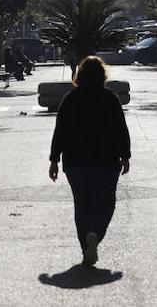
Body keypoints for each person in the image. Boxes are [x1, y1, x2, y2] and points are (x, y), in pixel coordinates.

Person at [48, 56, 131, 267]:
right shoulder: (110, 98)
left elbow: (60, 130)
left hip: (76, 162)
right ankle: (95, 234)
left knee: (82, 205)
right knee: (105, 203)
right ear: (102, 75)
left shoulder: (71, 98)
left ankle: (86, 247)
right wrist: (125, 155)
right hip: (106, 161)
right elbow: (121, 129)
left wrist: (54, 159)